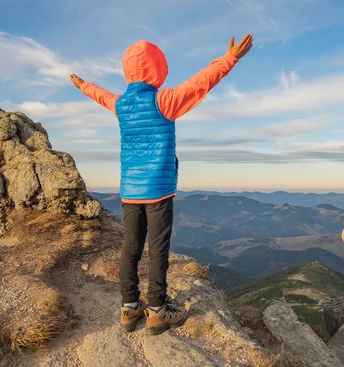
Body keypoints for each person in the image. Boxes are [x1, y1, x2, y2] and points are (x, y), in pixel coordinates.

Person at [71, 35, 253, 335]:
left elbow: (102, 96)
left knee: (130, 248)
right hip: (158, 190)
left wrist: (83, 87)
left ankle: (129, 308)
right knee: (157, 249)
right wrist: (229, 59)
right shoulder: (163, 101)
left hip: (129, 191)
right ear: (158, 69)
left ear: (128, 70)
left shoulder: (122, 105)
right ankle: (157, 311)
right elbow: (199, 83)